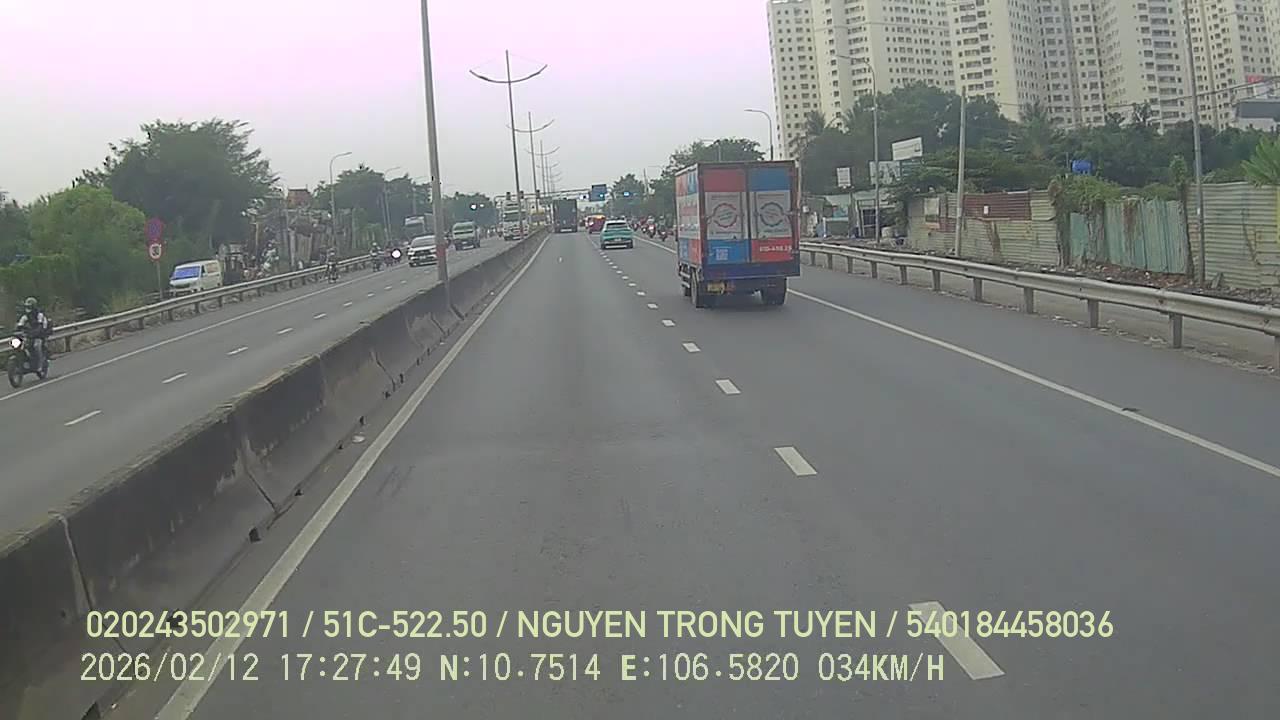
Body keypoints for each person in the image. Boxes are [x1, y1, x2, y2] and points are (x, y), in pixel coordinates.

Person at [15, 296, 53, 368]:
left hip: (40, 335)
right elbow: (20, 324)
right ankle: (23, 362)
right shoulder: (25, 316)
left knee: (36, 346)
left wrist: (36, 332)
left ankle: (40, 364)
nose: (28, 308)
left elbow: (41, 326)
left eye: (30, 307)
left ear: (34, 307)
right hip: (30, 335)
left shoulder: (39, 315)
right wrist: (16, 330)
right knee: (20, 345)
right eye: (27, 307)